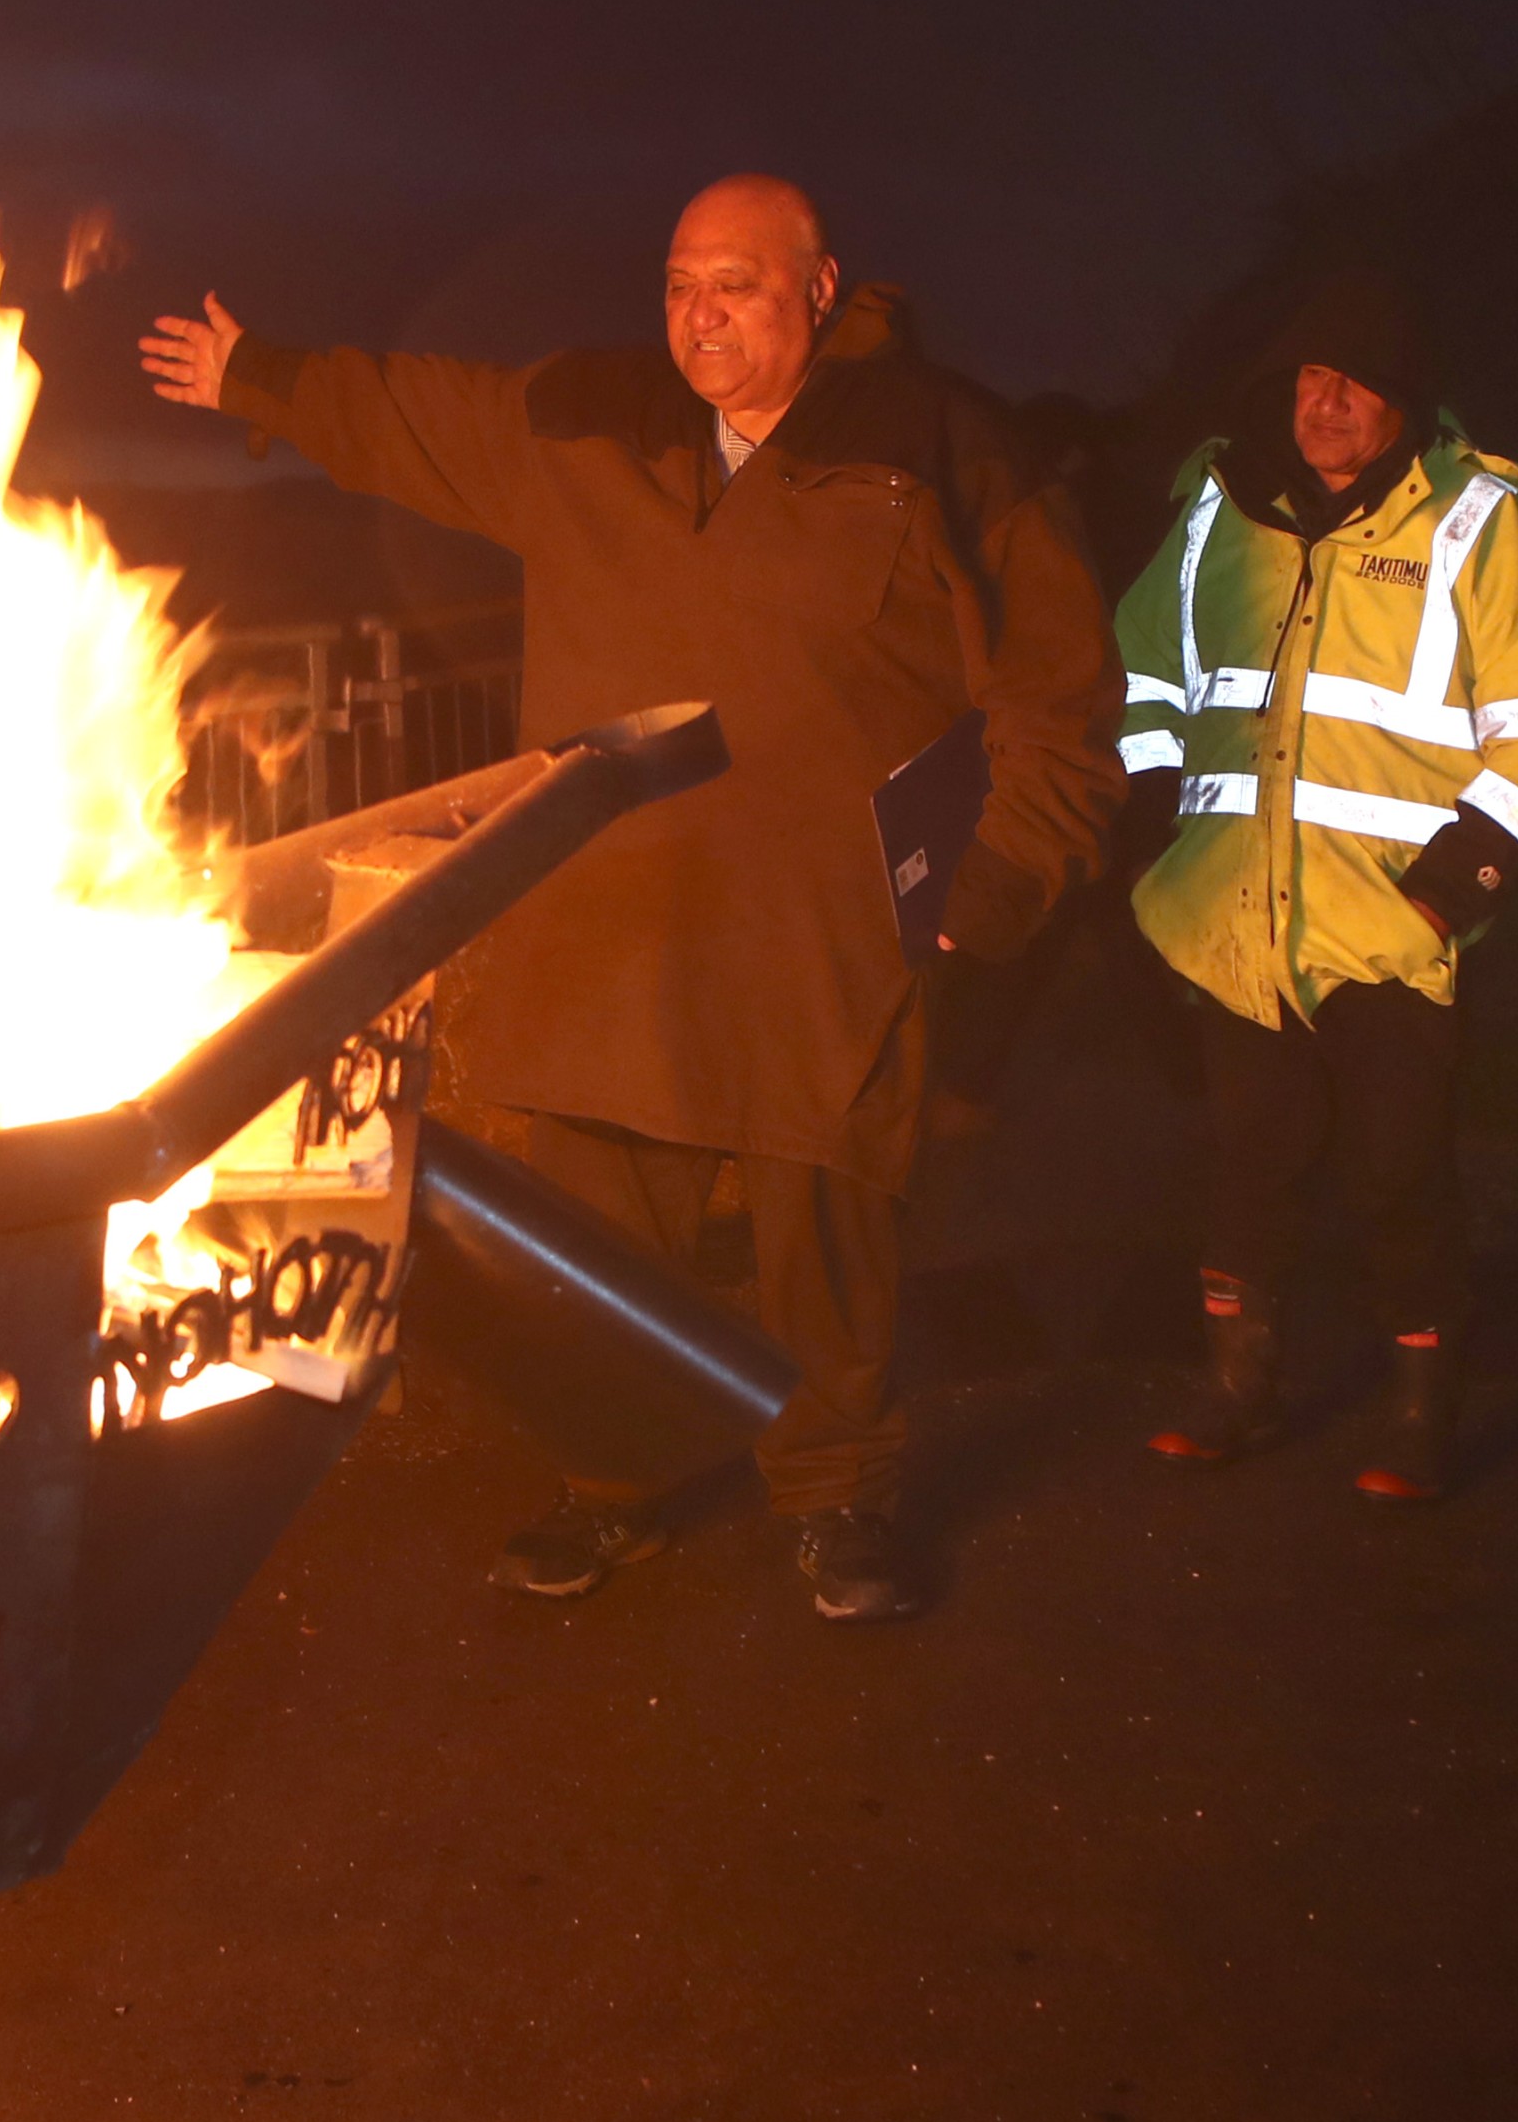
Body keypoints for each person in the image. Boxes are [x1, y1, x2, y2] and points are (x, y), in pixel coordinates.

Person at [142, 177, 1118, 1622]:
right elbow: (423, 417)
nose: (697, 313)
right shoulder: (595, 418)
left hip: (821, 923)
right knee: (598, 1228)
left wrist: (1007, 868)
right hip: (613, 914)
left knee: (825, 1221)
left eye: (733, 282)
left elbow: (1057, 694)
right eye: (675, 283)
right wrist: (261, 377)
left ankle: (835, 1489)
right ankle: (615, 1483)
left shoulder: (942, 446)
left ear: (819, 286)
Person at [1116, 271, 1518, 1498]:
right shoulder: (1219, 508)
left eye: (1353, 383)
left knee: (1401, 1174)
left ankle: (1423, 1412)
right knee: (1246, 1160)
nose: (1322, 405)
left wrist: (1451, 889)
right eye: (1306, 380)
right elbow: (1144, 677)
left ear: (1405, 397)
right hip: (1230, 920)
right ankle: (1239, 1389)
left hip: (1391, 927)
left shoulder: (1489, 518)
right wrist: (1152, 820)